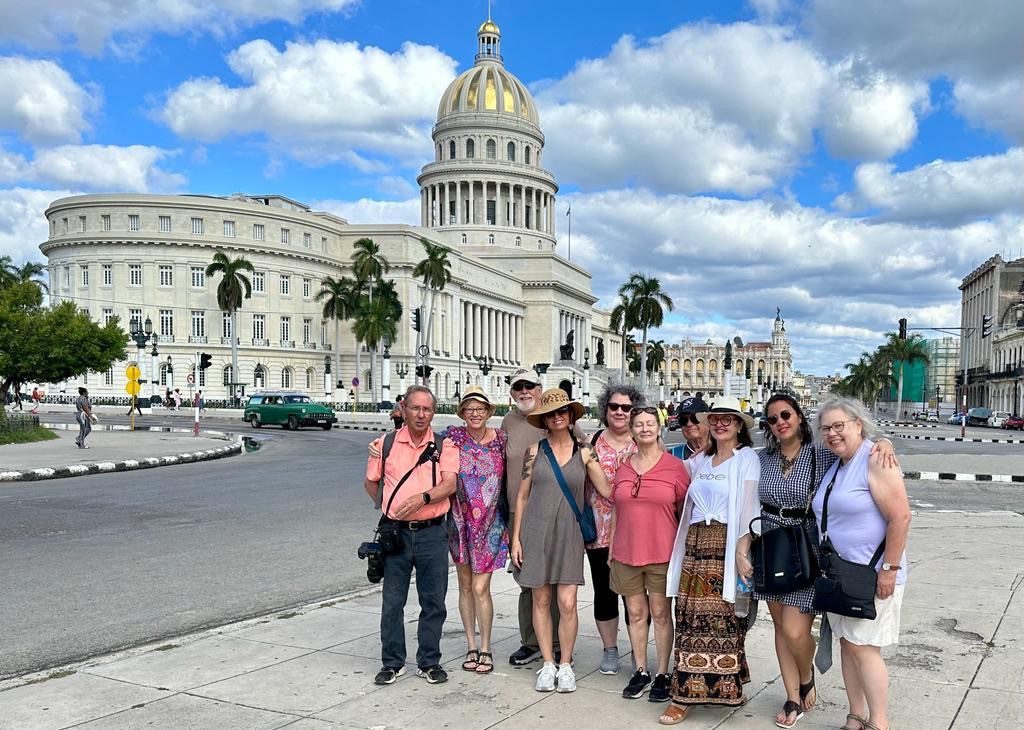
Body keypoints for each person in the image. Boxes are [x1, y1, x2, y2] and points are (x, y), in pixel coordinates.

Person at [757, 394, 898, 728]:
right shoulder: (761, 458)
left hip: (806, 552)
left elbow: (853, 446)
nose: (780, 422)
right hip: (769, 546)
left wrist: (884, 442)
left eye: (786, 414)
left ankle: (806, 675)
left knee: (795, 631)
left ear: (799, 418)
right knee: (779, 626)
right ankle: (793, 695)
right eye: (773, 419)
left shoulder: (820, 453)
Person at [812, 399, 910, 730]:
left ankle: (879, 722)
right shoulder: (838, 462)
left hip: (871, 573)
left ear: (858, 424)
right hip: (840, 573)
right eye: (826, 428)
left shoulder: (875, 459)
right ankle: (855, 716)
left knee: (864, 647)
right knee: (847, 643)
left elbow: (900, 517)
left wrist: (890, 569)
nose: (832, 433)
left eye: (840, 425)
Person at [662, 396, 760, 724]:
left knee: (725, 618)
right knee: (689, 616)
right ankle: (684, 694)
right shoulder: (699, 461)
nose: (720, 424)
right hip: (694, 547)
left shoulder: (745, 459)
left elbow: (749, 508)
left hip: (726, 545)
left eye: (727, 420)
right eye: (715, 419)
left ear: (738, 426)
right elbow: (663, 467)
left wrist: (741, 553)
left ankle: (726, 687)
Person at [511, 388, 611, 694]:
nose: (557, 417)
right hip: (535, 531)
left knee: (567, 603)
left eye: (562, 412)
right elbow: (523, 495)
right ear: (545, 419)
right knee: (540, 600)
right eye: (551, 413)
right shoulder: (534, 451)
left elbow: (608, 490)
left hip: (569, 532)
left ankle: (565, 663)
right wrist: (516, 539)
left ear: (570, 416)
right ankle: (547, 663)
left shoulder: (585, 452)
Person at [363, 385, 459, 686]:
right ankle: (392, 662)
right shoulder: (385, 444)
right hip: (397, 535)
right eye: (415, 408)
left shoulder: (444, 446)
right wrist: (390, 508)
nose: (421, 414)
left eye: (427, 409)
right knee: (393, 602)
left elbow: (450, 484)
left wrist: (422, 499)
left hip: (432, 533)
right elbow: (371, 483)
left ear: (433, 412)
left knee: (434, 602)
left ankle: (429, 661)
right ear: (403, 408)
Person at [502, 368, 585, 667]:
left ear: (539, 389)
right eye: (518, 387)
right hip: (521, 511)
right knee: (530, 582)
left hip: (561, 513)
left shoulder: (564, 423)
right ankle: (532, 641)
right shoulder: (508, 421)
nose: (524, 391)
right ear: (512, 393)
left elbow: (585, 457)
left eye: (529, 386)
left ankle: (557, 643)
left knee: (558, 584)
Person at [613, 406, 689, 703]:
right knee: (635, 613)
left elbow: (683, 513)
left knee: (660, 613)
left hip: (661, 552)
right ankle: (641, 669)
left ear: (659, 428)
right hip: (626, 551)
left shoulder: (675, 467)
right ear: (631, 431)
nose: (644, 429)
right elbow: (617, 508)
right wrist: (611, 550)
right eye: (638, 425)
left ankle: (662, 672)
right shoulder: (624, 467)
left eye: (649, 424)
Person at [447, 386, 509, 675]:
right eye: (469, 409)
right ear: (462, 413)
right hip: (460, 522)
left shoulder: (500, 440)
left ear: (488, 412)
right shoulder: (453, 437)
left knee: (482, 587)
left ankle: (486, 646)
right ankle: (470, 644)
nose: (475, 413)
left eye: (480, 408)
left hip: (490, 523)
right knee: (465, 586)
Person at [588, 384, 645, 675]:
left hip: (635, 533)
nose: (620, 412)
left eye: (627, 408)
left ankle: (639, 652)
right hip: (600, 531)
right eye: (614, 407)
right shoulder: (593, 441)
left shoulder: (643, 442)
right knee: (604, 591)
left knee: (636, 596)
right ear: (605, 410)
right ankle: (610, 648)